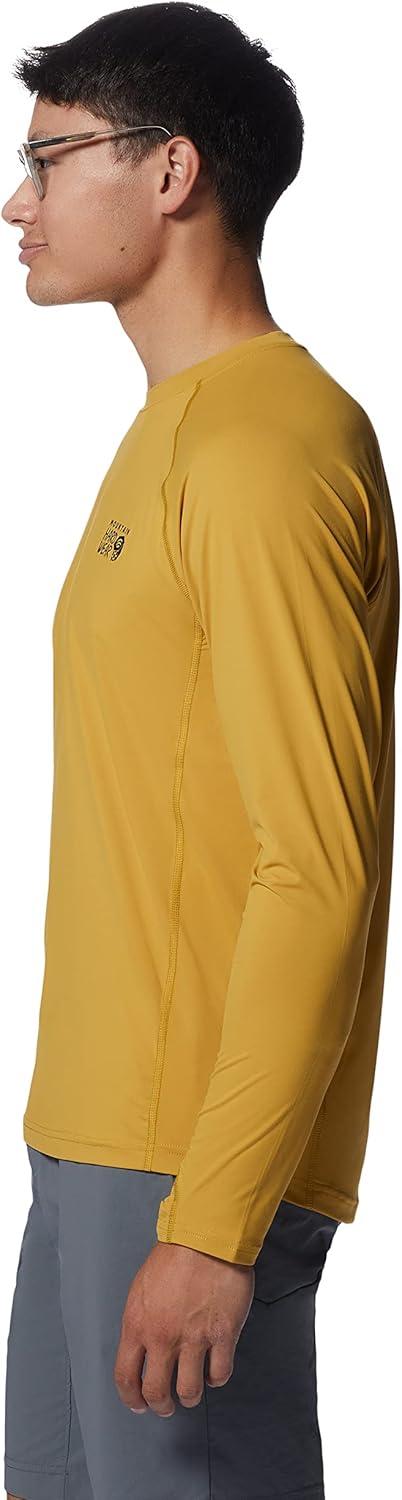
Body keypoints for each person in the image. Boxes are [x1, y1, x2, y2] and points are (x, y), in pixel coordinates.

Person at [1, 5, 399, 1499]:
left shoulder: (262, 448)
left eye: (51, 159)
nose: (18, 202)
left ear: (170, 173)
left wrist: (217, 1222)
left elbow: (320, 864)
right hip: (92, 1142)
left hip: (184, 1166)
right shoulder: (175, 429)